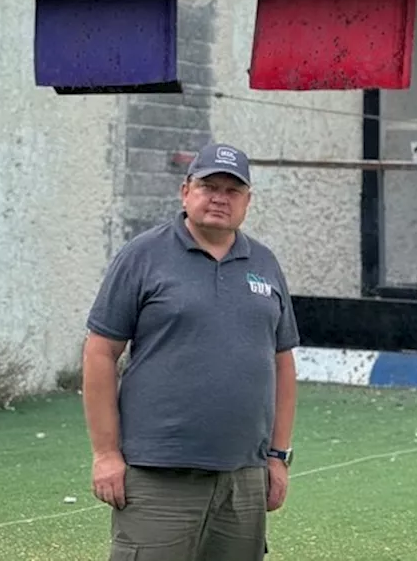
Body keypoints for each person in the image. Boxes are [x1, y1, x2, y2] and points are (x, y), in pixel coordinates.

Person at [81, 142, 300, 561]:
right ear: (185, 192)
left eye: (232, 190)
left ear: (247, 201)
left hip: (243, 480)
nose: (219, 198)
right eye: (208, 186)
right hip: (158, 475)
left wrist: (277, 457)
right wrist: (106, 454)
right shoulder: (142, 256)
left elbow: (282, 362)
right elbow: (99, 352)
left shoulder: (266, 263)